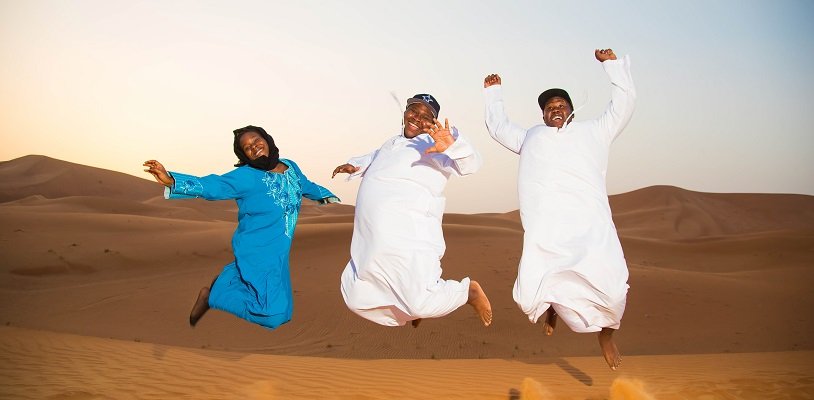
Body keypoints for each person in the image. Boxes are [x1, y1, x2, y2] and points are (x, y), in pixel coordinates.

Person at [483, 48, 636, 370]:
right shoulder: (531, 136)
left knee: (611, 286)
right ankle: (552, 307)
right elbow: (498, 127)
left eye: (561, 105)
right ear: (542, 115)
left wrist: (611, 66)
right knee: (534, 289)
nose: (555, 109)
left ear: (571, 111)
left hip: (591, 227)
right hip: (546, 228)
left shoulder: (595, 131)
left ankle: (606, 336)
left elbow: (623, 104)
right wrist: (493, 93)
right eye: (549, 107)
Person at [143, 125, 339, 329]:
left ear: (267, 139)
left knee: (285, 310)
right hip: (257, 249)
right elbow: (215, 186)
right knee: (273, 316)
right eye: (247, 148)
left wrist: (327, 196)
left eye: (256, 141)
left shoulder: (290, 166)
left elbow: (305, 184)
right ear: (244, 155)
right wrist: (172, 180)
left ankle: (227, 282)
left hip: (279, 250)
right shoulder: (246, 176)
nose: (254, 147)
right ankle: (212, 296)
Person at [333, 94, 492, 328]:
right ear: (405, 112)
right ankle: (408, 313)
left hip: (409, 232)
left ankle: (468, 292)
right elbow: (374, 157)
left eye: (426, 117)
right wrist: (354, 165)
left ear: (434, 122)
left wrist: (453, 146)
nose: (417, 118)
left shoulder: (438, 142)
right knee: (356, 297)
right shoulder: (392, 142)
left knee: (420, 301)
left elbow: (472, 163)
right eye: (414, 111)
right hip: (372, 236)